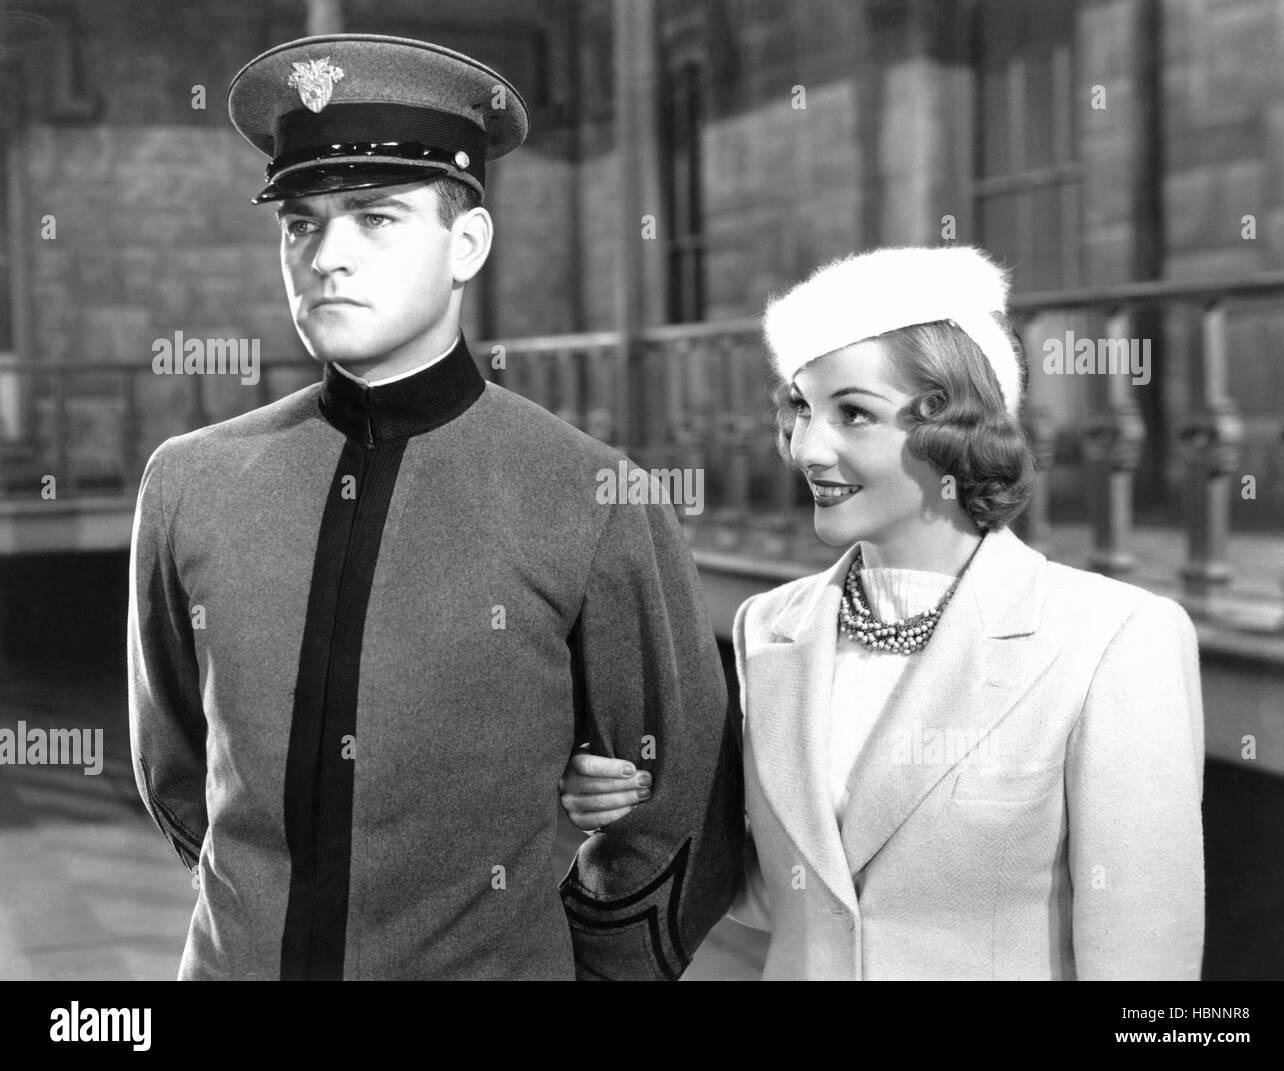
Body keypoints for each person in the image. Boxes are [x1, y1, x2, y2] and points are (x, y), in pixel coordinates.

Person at [127, 33, 742, 981]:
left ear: (468, 244)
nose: (327, 256)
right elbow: (178, 771)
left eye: (375, 218)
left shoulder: (589, 493)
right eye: (301, 221)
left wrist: (582, 961)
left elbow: (673, 797)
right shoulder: (190, 481)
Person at [561, 246, 1205, 980]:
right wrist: (633, 810)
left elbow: (1146, 962)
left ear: (953, 426)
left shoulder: (1114, 639)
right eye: (801, 409)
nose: (807, 447)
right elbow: (783, 893)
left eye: (853, 414)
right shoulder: (770, 627)